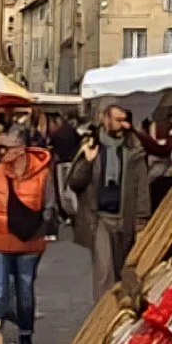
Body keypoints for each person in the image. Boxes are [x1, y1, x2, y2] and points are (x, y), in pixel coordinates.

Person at [0, 125, 55, 344]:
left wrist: (41, 230)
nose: (4, 153)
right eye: (2, 149)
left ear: (22, 149)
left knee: (24, 291)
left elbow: (50, 206)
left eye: (9, 148)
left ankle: (25, 334)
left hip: (29, 242)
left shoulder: (43, 173)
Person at [69, 103, 151, 297]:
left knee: (122, 272)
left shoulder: (134, 149)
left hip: (125, 218)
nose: (124, 125)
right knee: (104, 272)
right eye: (118, 120)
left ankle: (120, 318)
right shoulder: (91, 145)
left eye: (126, 120)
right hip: (99, 219)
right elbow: (75, 182)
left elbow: (142, 187)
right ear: (105, 119)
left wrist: (141, 220)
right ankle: (103, 318)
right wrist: (88, 162)